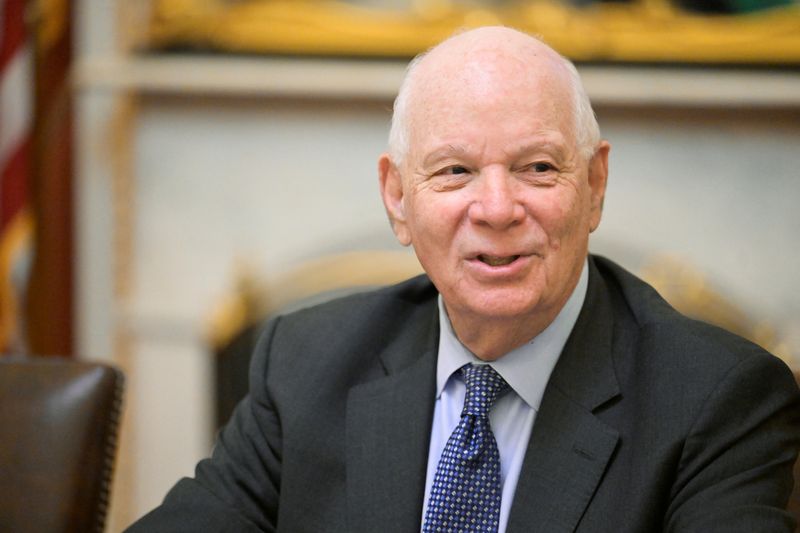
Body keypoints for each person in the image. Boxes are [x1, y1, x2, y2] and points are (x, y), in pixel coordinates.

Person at [127, 26, 800, 532]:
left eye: (538, 167)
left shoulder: (717, 398)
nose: (499, 209)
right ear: (397, 198)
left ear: (594, 186)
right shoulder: (307, 362)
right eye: (454, 171)